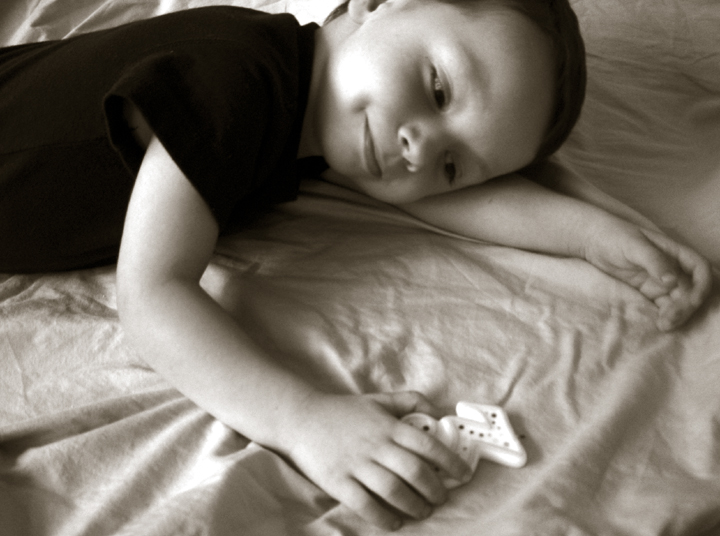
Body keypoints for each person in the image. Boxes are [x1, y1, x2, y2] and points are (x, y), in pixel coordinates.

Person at [0, 0, 711, 530]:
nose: (418, 148)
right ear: (376, 3)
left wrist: (597, 236)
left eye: (452, 162)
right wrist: (304, 420)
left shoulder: (318, 113)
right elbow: (153, 293)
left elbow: (447, 198)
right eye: (438, 89)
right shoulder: (237, 82)